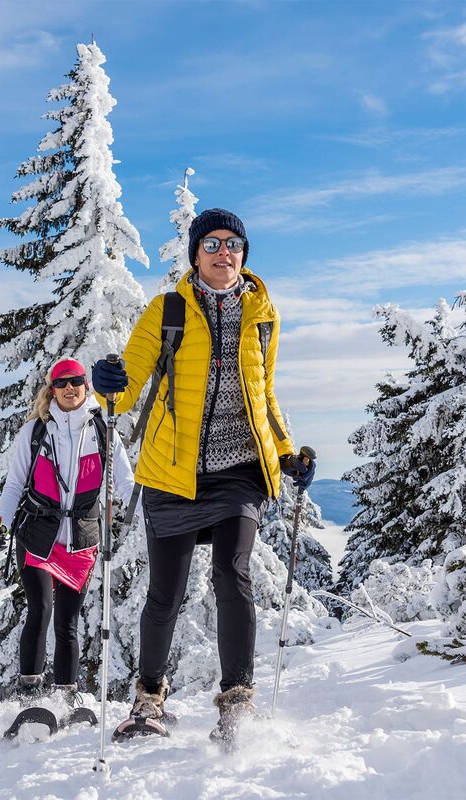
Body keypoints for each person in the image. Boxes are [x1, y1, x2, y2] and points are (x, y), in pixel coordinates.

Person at [91, 208, 315, 744]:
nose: (223, 252)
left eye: (233, 243)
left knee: (232, 576)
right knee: (165, 595)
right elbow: (125, 385)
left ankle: (237, 702)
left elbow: (264, 394)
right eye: (211, 243)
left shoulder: (262, 315)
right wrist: (108, 382)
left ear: (244, 254)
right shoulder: (167, 310)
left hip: (240, 471)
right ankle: (148, 702)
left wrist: (285, 451)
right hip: (172, 472)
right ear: (195, 254)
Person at [0, 358, 133, 706]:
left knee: (68, 622)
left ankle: (65, 699)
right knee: (40, 610)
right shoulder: (36, 431)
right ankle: (29, 697)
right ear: (52, 389)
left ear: (87, 385)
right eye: (62, 382)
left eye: (77, 381)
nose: (70, 388)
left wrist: (157, 514)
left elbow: (126, 483)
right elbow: (14, 485)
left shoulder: (104, 430)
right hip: (37, 533)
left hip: (81, 537)